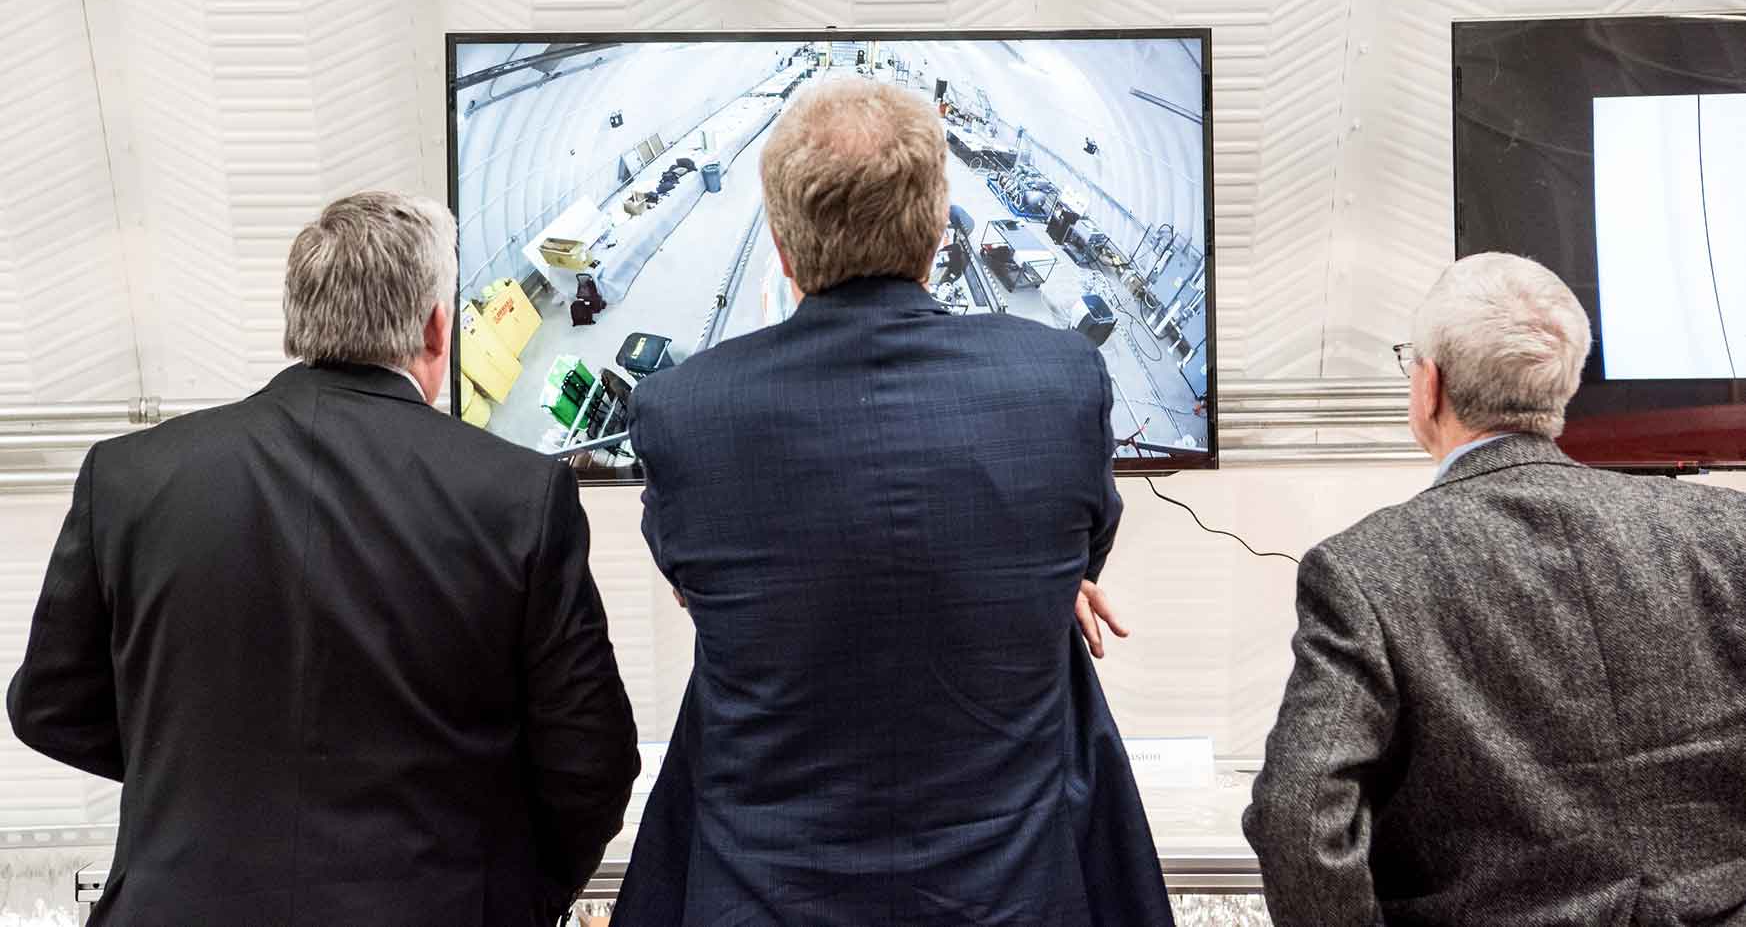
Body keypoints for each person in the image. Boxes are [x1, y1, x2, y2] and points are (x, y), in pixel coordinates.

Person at [613, 79, 1172, 926]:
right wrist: (1028, 583)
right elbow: (1077, 544)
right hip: (1010, 896)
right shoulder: (1059, 382)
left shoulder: (684, 412)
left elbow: (701, 583)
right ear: (938, 228)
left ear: (782, 246)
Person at [7, 192, 640, 927]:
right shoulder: (521, 495)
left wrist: (197, 776)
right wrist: (514, 894)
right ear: (439, 329)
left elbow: (48, 705)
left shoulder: (129, 477)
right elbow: (589, 763)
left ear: (297, 324)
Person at [1243, 252, 1746, 926]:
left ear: (1429, 385)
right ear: (1563, 385)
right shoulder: (1727, 530)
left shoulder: (1363, 569)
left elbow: (1298, 813)